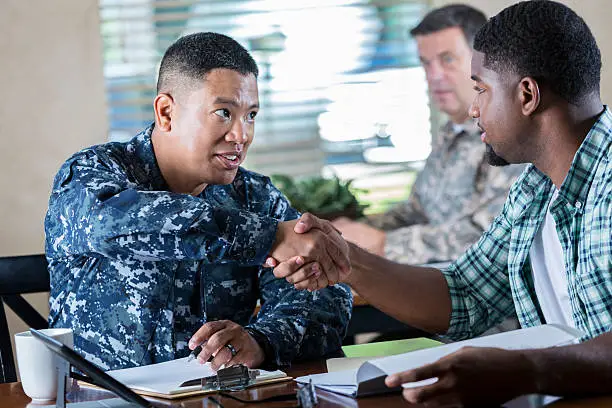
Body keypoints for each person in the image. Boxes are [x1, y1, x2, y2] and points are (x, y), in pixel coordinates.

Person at [272, 1, 612, 405]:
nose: (473, 108)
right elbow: (464, 294)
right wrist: (347, 260)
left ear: (527, 95)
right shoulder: (534, 189)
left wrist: (526, 370)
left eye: (482, 89)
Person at [45, 32, 352, 371]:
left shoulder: (253, 197)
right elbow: (117, 223)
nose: (242, 135)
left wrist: (263, 341)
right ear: (166, 113)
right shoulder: (91, 174)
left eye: (251, 115)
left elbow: (326, 297)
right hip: (99, 400)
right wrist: (269, 238)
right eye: (224, 112)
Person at [332, 4, 525, 264]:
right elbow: (416, 212)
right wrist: (350, 231)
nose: (434, 76)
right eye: (425, 63)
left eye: (447, 59)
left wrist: (383, 243)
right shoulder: (450, 133)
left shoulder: (509, 136)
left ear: (484, 60)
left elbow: (491, 237)